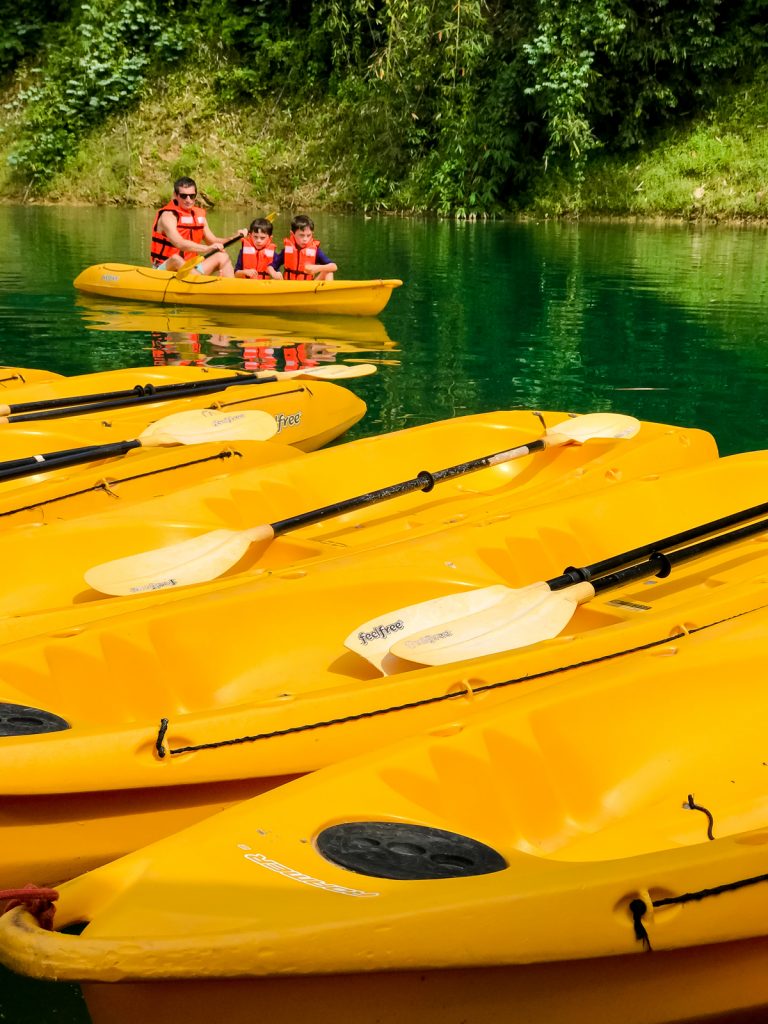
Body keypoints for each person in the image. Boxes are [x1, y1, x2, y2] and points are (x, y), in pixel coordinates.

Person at [150, 177, 243, 277]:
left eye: (192, 196)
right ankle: (202, 285)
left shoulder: (198, 216)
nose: (188, 200)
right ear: (176, 196)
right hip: (165, 269)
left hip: (191, 267)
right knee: (176, 259)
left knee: (222, 256)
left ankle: (231, 288)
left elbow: (212, 240)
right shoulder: (168, 216)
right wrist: (206, 249)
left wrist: (236, 237)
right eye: (184, 196)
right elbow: (179, 243)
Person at [273, 214, 338, 281]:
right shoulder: (287, 250)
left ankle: (328, 291)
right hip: (289, 286)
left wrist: (317, 268)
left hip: (308, 287)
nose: (305, 239)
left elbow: (334, 266)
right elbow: (272, 266)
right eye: (301, 235)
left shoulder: (315, 251)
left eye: (308, 235)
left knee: (329, 272)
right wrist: (275, 273)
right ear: (292, 234)